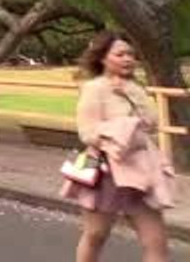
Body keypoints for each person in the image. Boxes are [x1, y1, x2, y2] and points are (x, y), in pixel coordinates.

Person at [66, 31, 173, 262]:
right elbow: (87, 132)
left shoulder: (136, 88)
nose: (127, 59)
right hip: (106, 171)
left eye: (131, 55)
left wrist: (131, 101)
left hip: (141, 173)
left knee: (156, 242)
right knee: (96, 235)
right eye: (120, 54)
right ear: (103, 58)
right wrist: (119, 132)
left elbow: (152, 124)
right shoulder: (94, 88)